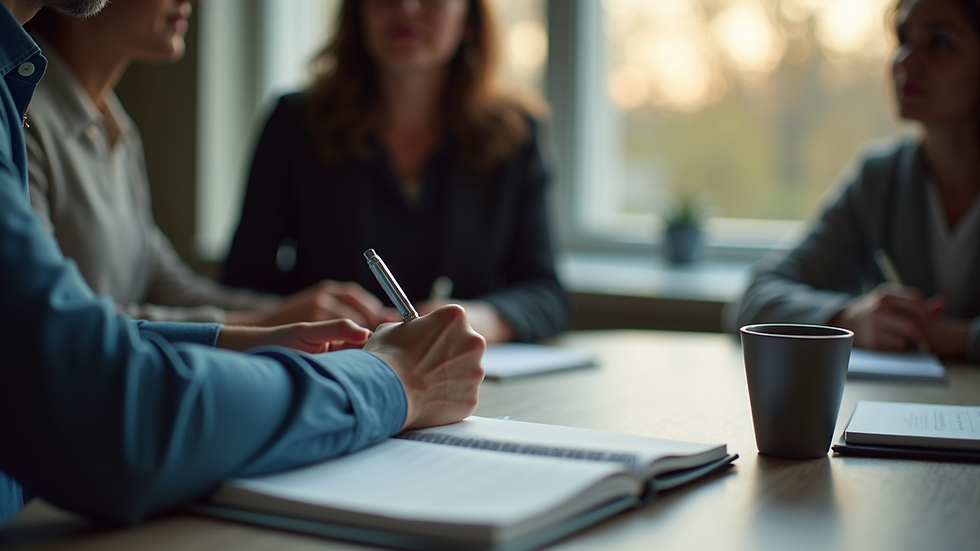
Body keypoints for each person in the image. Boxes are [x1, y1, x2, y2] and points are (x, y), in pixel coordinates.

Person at [0, 0, 485, 528]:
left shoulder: (98, 118)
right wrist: (393, 379)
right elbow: (101, 390)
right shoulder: (24, 105)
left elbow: (119, 307)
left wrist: (251, 331)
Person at [23, 0, 392, 328]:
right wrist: (264, 322)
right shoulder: (23, 119)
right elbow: (56, 319)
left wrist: (309, 312)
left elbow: (165, 285)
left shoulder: (117, 129)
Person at [223, 0, 570, 344]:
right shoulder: (295, 124)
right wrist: (296, 314)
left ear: (469, 20)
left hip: (464, 379)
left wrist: (468, 320)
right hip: (332, 368)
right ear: (358, 15)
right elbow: (243, 281)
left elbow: (545, 294)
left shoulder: (515, 134)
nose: (406, 8)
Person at [734, 0, 980, 361]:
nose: (904, 62)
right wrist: (849, 318)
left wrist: (960, 339)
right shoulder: (879, 181)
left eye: (939, 43)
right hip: (902, 412)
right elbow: (754, 299)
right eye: (902, 39)